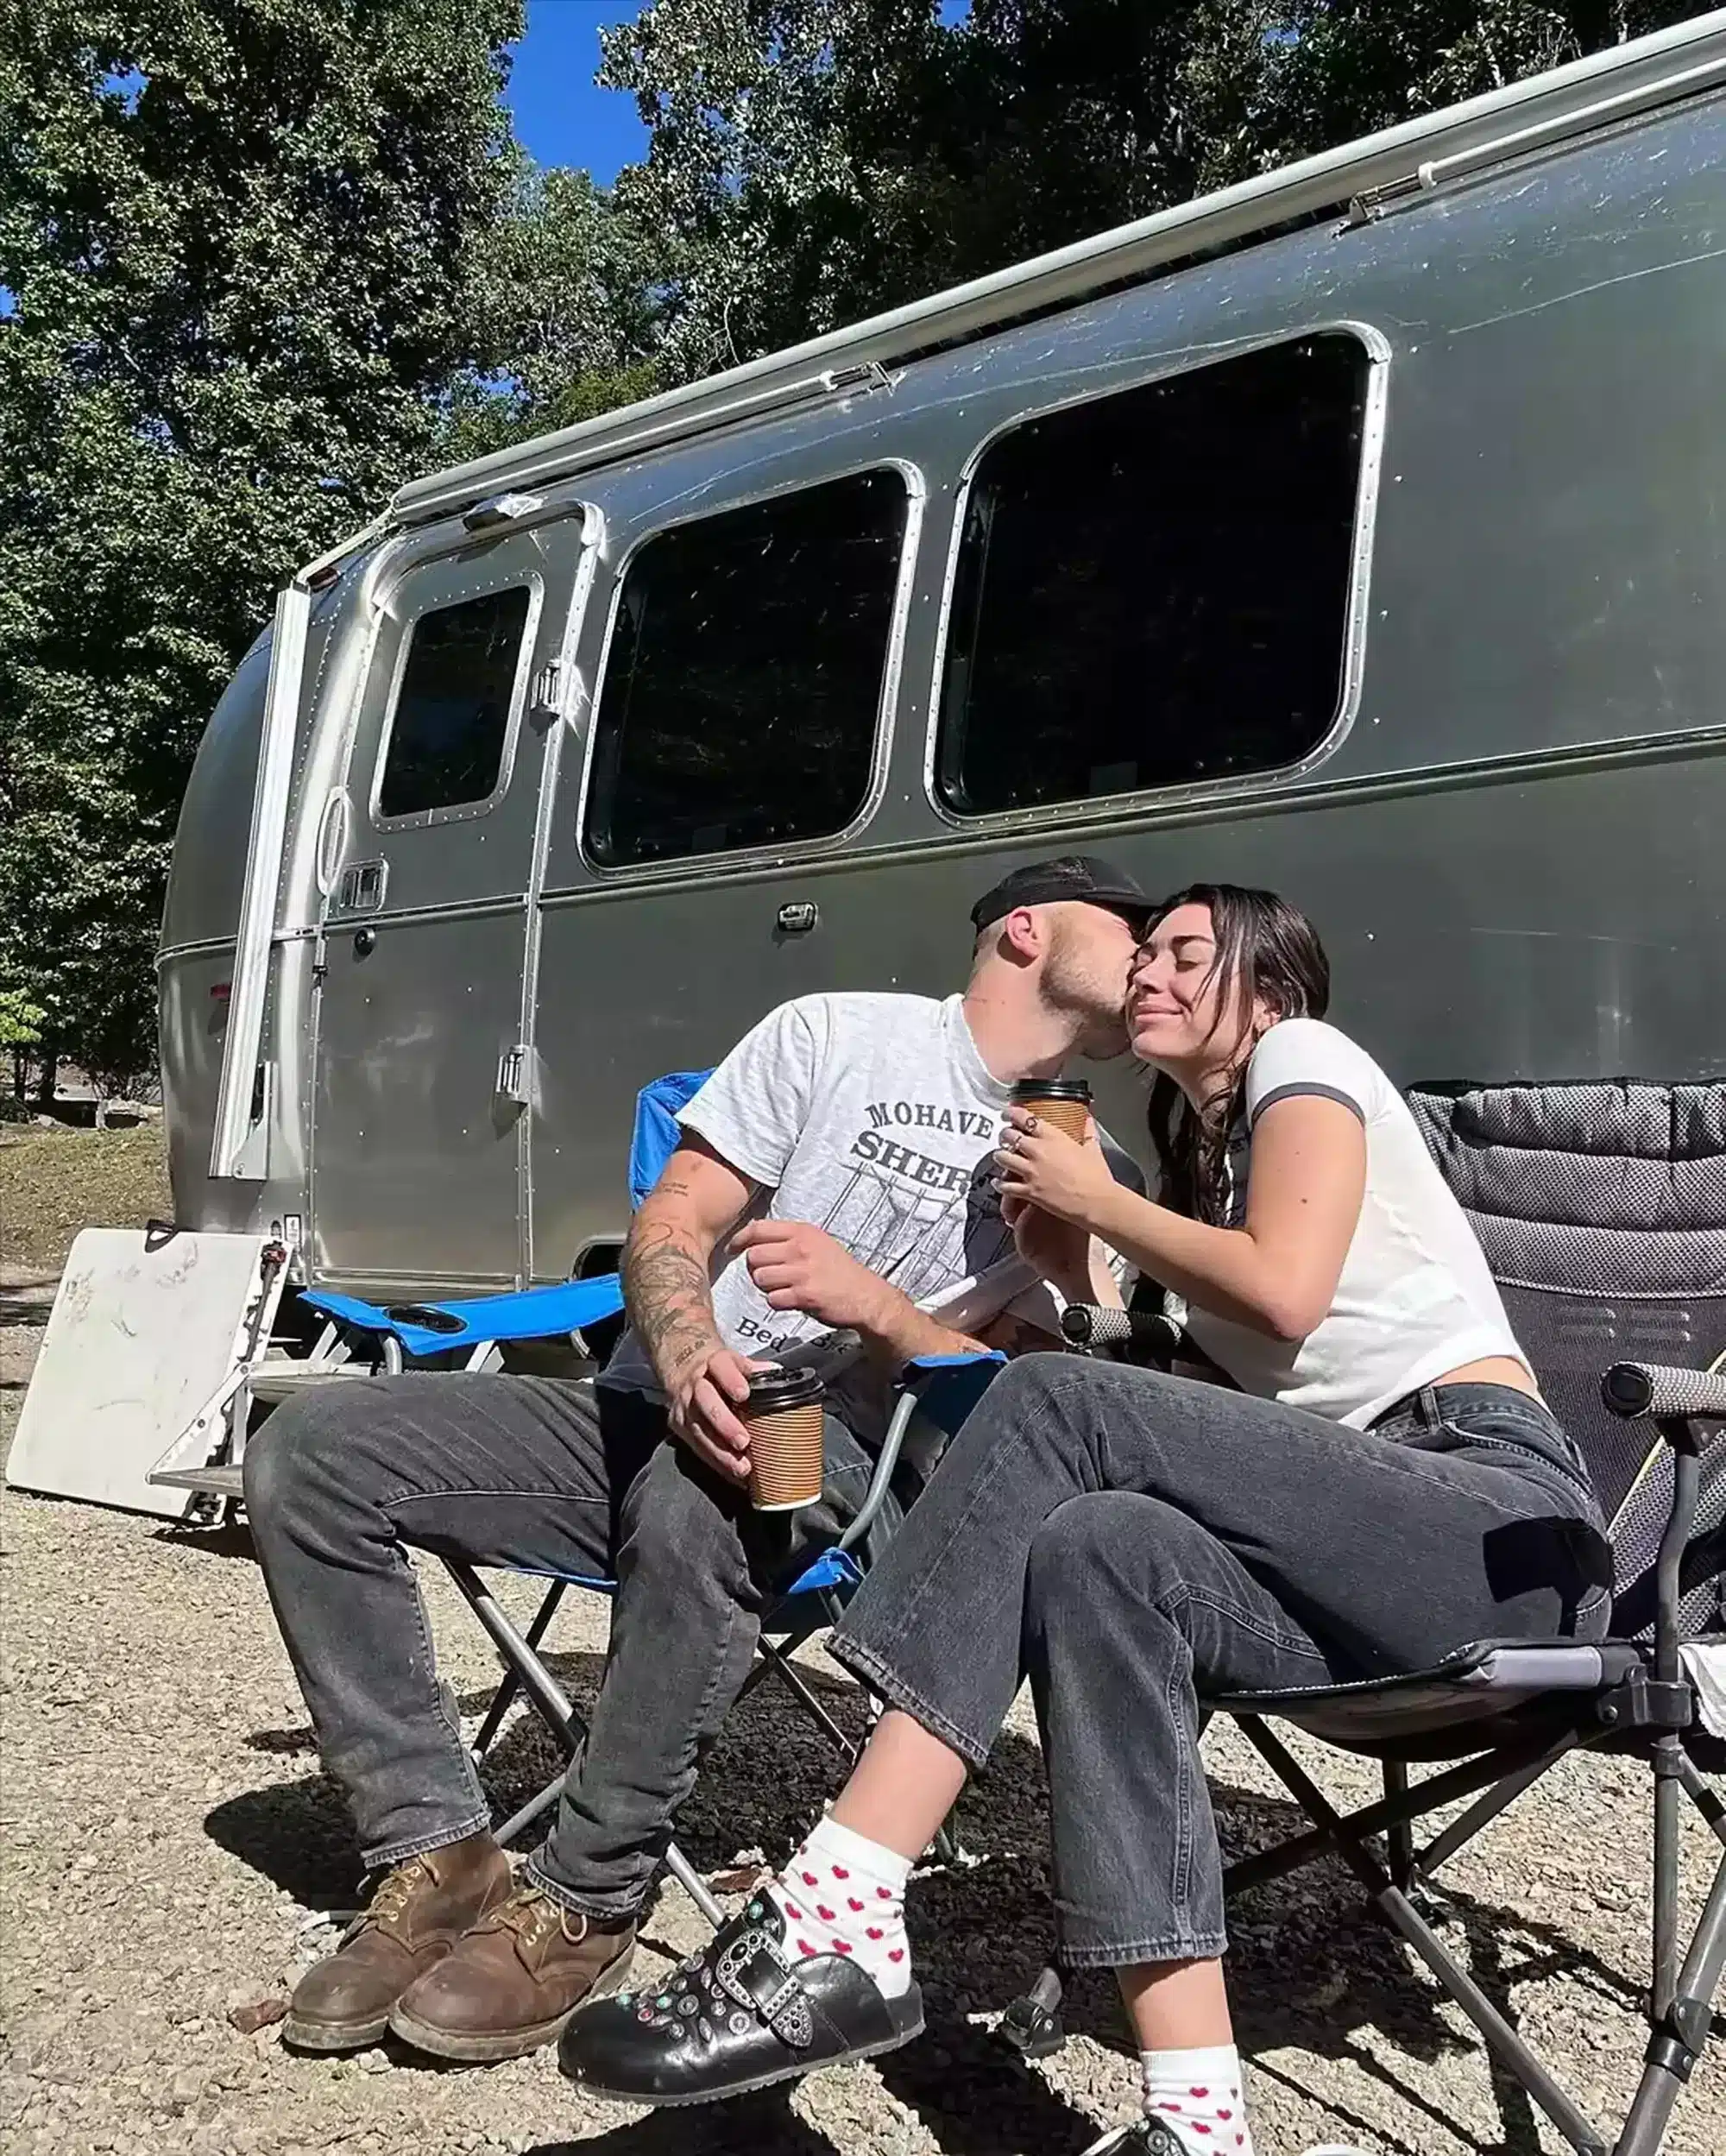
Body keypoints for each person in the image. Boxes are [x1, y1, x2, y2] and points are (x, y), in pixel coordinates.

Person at [561, 884, 1611, 2156]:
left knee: (1052, 1402)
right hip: (1350, 1552)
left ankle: (840, 1906)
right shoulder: (1206, 1178)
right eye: (1144, 953)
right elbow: (1214, 1410)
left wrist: (1098, 1205)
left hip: (1492, 1525)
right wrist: (1074, 1277)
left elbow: (1287, 1295)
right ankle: (1197, 2121)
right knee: (1099, 1550)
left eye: (1187, 954)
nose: (1149, 974)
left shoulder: (1305, 1056)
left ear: (1267, 984)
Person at [243, 854, 1151, 2063]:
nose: (1153, 949)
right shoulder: (835, 1036)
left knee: (711, 1479)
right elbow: (671, 1220)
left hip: (857, 1465)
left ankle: (588, 1891)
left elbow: (1037, 1409)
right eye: (1131, 924)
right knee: (310, 1448)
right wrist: (685, 1353)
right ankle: (435, 1850)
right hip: (658, 1406)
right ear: (1027, 930)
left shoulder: (1098, 1170)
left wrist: (909, 1304)